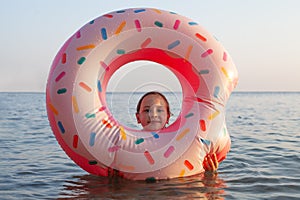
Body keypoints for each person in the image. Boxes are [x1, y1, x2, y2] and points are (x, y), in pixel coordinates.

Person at [135, 91, 219, 172]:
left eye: (159, 110)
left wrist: (210, 172)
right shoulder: (130, 143)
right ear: (138, 117)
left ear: (168, 117)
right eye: (147, 110)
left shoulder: (179, 140)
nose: (153, 115)